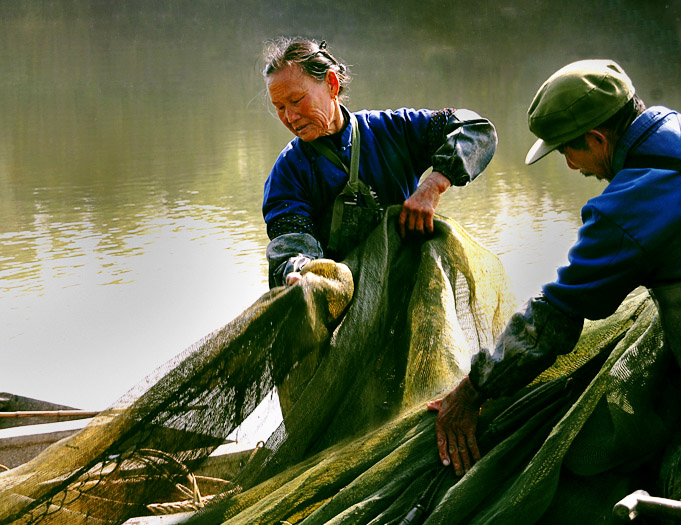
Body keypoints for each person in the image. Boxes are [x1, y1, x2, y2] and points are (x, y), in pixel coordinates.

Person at [429, 58, 681, 476]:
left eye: (568, 150)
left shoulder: (624, 211)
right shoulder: (670, 126)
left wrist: (473, 389)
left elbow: (552, 320)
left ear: (597, 139)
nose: (570, 166)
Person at [261, 38, 498, 288]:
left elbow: (474, 128)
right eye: (280, 107)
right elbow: (289, 241)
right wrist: (298, 270)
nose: (290, 117)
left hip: (408, 286)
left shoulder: (394, 130)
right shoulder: (287, 172)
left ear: (331, 83)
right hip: (339, 300)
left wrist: (433, 185)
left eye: (297, 100)